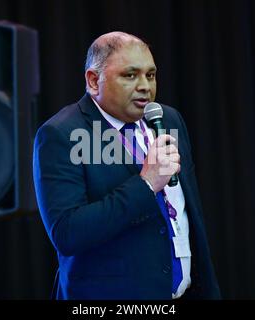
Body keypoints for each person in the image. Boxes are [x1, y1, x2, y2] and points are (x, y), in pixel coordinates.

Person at [33, 31, 220, 300]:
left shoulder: (168, 120)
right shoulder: (61, 134)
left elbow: (190, 214)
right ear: (94, 80)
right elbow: (67, 233)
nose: (145, 86)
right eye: (130, 75)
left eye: (151, 75)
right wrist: (145, 184)